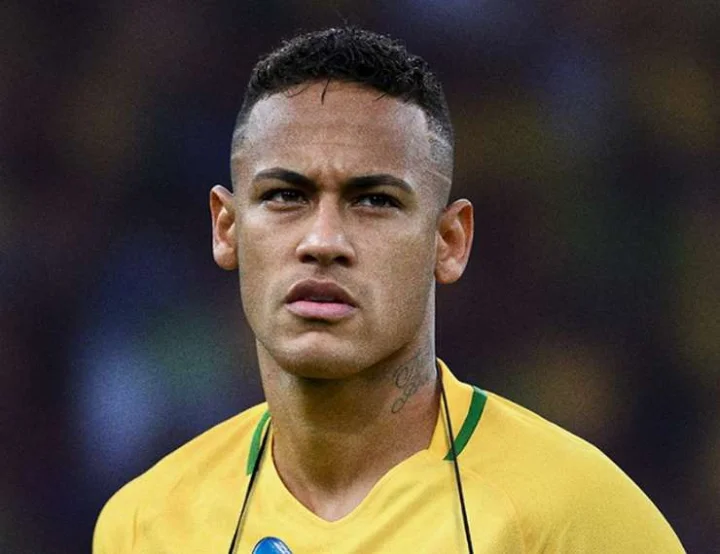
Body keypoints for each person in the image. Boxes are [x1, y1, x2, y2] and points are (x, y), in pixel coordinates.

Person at [93, 27, 685, 553]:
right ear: (226, 229)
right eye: (285, 196)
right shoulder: (144, 526)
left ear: (449, 241)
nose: (323, 241)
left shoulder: (572, 516)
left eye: (374, 200)